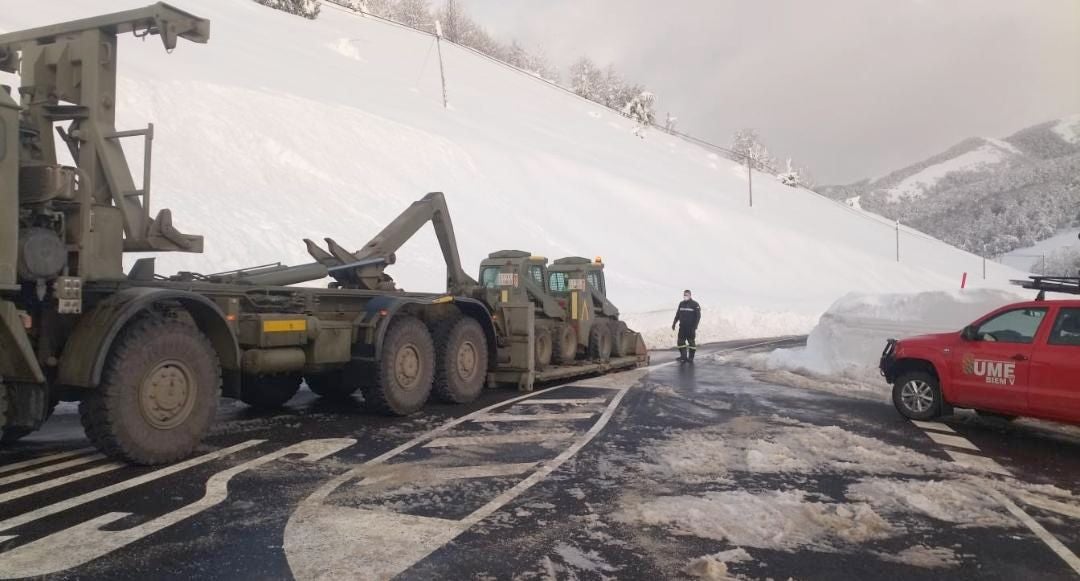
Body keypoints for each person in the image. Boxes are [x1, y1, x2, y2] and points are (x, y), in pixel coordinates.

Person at [672, 289, 701, 362]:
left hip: (690, 328)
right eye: (684, 295)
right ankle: (683, 356)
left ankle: (691, 357)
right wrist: (674, 323)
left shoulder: (695, 304)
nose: (685, 296)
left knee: (691, 342)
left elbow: (698, 316)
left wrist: (695, 326)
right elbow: (678, 314)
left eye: (687, 295)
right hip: (682, 327)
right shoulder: (681, 304)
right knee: (680, 342)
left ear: (690, 295)